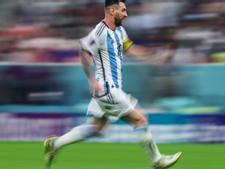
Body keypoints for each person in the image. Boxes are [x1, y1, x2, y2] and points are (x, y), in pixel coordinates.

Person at [43, 0, 181, 169]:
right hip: (107, 89)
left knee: (96, 128)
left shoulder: (120, 31)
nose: (126, 14)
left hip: (109, 90)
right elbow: (84, 49)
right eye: (123, 10)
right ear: (112, 10)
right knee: (140, 120)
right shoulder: (100, 31)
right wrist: (91, 79)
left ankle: (55, 144)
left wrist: (154, 57)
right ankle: (157, 160)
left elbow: (131, 49)